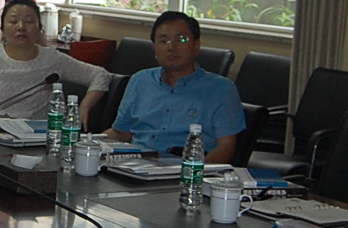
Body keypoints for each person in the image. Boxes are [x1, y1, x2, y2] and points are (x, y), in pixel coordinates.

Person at [103, 11, 245, 162]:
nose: (171, 47)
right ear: (155, 49)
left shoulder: (221, 89)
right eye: (163, 41)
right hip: (135, 166)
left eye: (181, 39)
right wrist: (91, 143)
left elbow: (225, 148)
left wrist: (194, 172)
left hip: (185, 168)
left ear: (196, 46)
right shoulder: (140, 80)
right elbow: (121, 133)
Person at [0, 0, 109, 124]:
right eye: (13, 21)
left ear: (40, 28)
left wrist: (84, 107)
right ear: (3, 29)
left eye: (29, 21)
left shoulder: (52, 59)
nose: (21, 27)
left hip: (36, 134)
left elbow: (100, 75)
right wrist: (12, 125)